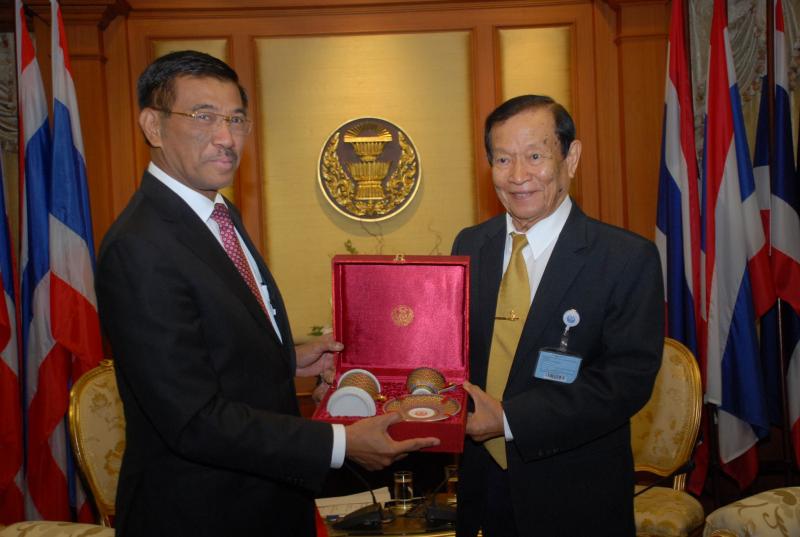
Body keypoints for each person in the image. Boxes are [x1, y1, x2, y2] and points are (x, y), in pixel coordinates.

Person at [95, 50, 438, 537]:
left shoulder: (218, 214)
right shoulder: (140, 247)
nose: (226, 137)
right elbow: (193, 420)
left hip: (267, 501)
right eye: (204, 117)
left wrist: (287, 359)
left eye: (236, 119)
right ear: (153, 125)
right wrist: (340, 442)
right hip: (200, 514)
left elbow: (213, 344)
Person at [451, 95, 664, 536]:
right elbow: (452, 349)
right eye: (503, 159)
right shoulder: (469, 245)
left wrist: (509, 420)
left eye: (535, 156)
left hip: (574, 495)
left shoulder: (626, 258)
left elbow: (625, 382)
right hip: (482, 488)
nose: (518, 176)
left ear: (572, 157)